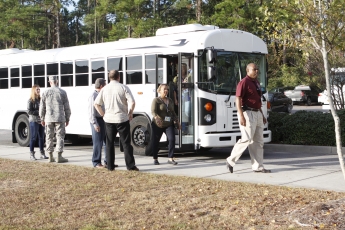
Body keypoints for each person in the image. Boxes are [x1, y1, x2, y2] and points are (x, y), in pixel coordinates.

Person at [225, 63, 271, 173]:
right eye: (254, 69)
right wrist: (241, 115)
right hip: (247, 112)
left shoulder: (256, 82)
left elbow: (258, 100)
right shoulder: (244, 82)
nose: (256, 71)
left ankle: (258, 167)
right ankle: (230, 160)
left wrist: (262, 115)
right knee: (247, 139)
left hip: (257, 113)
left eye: (257, 69)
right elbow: (238, 99)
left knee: (258, 141)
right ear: (248, 70)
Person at [94, 70, 138, 171]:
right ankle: (130, 165)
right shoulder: (123, 87)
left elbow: (96, 104)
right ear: (119, 77)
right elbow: (132, 102)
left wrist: (103, 114)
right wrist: (130, 112)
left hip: (109, 119)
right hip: (122, 118)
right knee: (126, 143)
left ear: (109, 77)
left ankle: (110, 166)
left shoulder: (104, 89)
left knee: (109, 143)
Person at [39, 75, 71, 163]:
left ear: (50, 82)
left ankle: (50, 156)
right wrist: (67, 117)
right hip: (60, 117)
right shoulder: (62, 92)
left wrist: (42, 118)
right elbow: (67, 107)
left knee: (49, 137)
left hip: (48, 118)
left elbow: (42, 107)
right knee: (60, 136)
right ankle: (59, 156)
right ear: (57, 81)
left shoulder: (45, 92)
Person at [88, 78, 119, 168]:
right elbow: (91, 112)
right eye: (105, 85)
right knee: (98, 142)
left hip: (105, 119)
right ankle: (96, 162)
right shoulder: (93, 95)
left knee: (107, 141)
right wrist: (95, 124)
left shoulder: (104, 94)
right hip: (97, 120)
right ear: (101, 86)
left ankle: (108, 162)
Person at [151, 84, 181, 165]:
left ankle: (170, 158)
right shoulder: (156, 100)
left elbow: (173, 112)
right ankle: (155, 158)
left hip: (168, 123)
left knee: (172, 139)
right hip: (158, 124)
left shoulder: (170, 100)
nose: (166, 91)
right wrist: (157, 118)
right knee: (155, 141)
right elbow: (153, 111)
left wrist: (177, 122)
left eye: (167, 89)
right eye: (164, 89)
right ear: (159, 90)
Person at [27, 84, 48, 160]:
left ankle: (42, 153)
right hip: (34, 121)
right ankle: (31, 154)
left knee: (42, 137)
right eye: (37, 89)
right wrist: (38, 112)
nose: (39, 91)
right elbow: (29, 111)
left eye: (39, 89)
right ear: (34, 91)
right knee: (33, 137)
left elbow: (44, 108)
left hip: (41, 121)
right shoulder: (31, 100)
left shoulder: (40, 100)